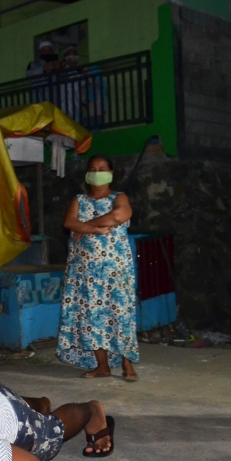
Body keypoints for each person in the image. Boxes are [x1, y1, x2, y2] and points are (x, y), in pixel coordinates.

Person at [56, 155, 139, 381]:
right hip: (84, 272)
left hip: (114, 271)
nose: (97, 172)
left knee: (119, 313)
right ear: (87, 175)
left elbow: (119, 216)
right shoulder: (79, 200)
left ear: (111, 174)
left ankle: (127, 364)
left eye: (102, 168)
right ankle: (102, 366)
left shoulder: (118, 197)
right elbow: (69, 222)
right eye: (92, 169)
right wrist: (93, 230)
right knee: (91, 316)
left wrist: (84, 227)